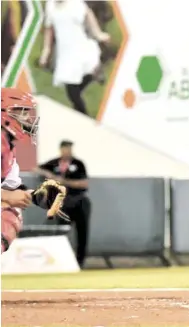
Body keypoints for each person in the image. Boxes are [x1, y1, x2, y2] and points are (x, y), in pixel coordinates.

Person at [2, 88, 66, 253]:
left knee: (11, 211)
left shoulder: (7, 148)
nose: (27, 119)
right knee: (9, 214)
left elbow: (11, 188)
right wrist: (7, 196)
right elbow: (8, 194)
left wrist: (36, 196)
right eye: (22, 112)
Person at [38, 0, 110, 116]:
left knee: (73, 91)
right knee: (71, 88)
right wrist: (46, 51)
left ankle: (83, 117)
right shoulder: (50, 5)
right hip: (65, 53)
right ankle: (93, 76)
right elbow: (49, 28)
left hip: (81, 49)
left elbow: (88, 15)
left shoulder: (76, 3)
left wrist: (98, 34)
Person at [34, 140, 91, 267]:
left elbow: (84, 183)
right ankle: (62, 260)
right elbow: (36, 168)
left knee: (82, 232)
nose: (68, 152)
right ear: (61, 150)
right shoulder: (54, 163)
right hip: (63, 202)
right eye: (66, 149)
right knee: (61, 231)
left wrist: (64, 181)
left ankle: (80, 262)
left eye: (70, 149)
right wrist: (50, 175)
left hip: (79, 200)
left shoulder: (78, 164)